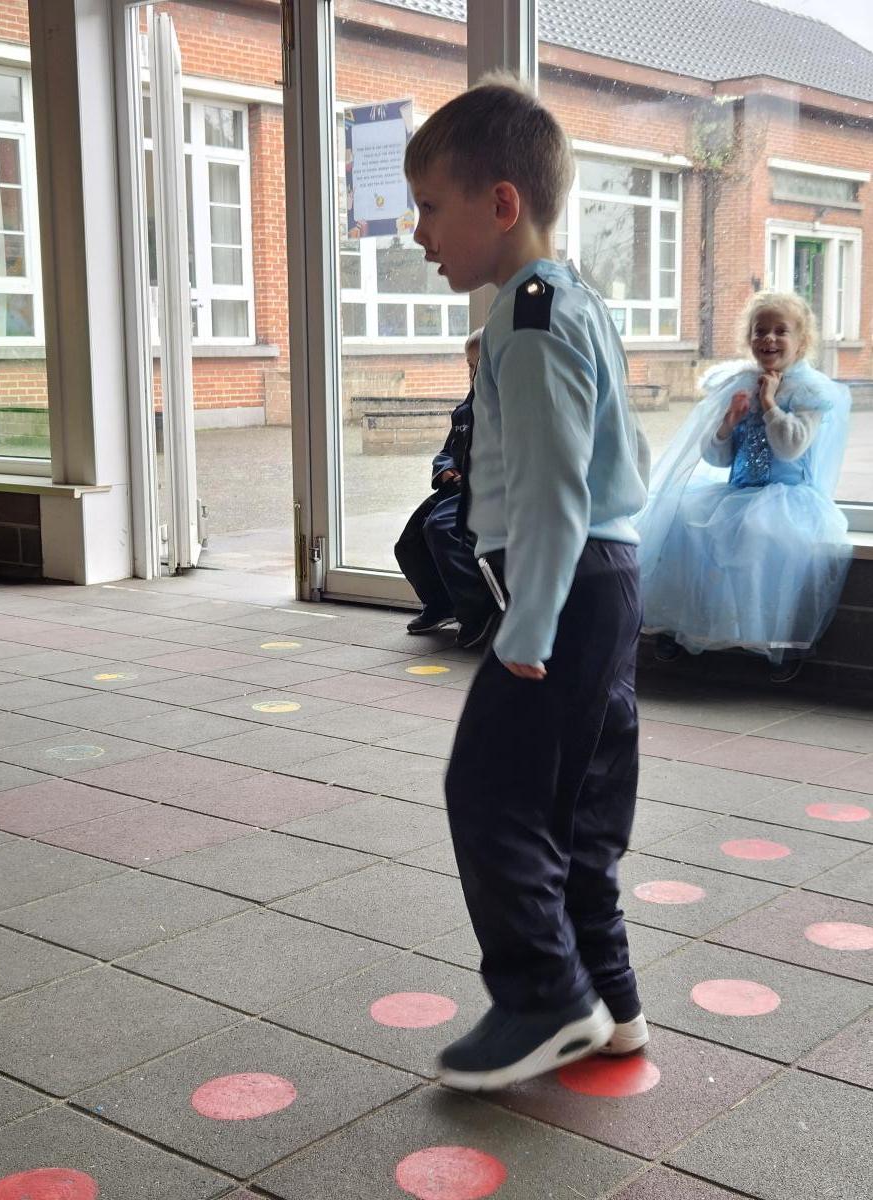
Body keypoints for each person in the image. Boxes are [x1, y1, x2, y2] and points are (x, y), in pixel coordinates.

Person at [404, 73, 651, 1092]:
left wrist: (529, 628)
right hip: (606, 580)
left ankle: (546, 995)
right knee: (576, 806)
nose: (420, 233)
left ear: (501, 202)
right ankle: (611, 1001)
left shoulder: (531, 317)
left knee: (492, 791)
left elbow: (551, 492)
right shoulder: (571, 299)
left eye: (431, 207)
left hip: (565, 586)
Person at [637, 292, 852, 685]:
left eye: (781, 331)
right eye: (760, 331)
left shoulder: (808, 392)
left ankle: (780, 644)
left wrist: (769, 404)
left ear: (801, 341)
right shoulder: (738, 384)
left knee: (758, 533)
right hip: (736, 490)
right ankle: (675, 627)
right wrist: (728, 424)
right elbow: (717, 457)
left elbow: (791, 447)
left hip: (785, 495)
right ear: (749, 338)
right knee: (683, 521)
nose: (769, 338)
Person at [394, 328, 498, 649]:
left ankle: (478, 611)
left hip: (482, 490)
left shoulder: (502, 409)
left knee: (441, 528)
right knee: (409, 541)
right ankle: (440, 603)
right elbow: (447, 451)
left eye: (479, 365)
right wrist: (445, 469)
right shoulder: (465, 410)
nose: (473, 373)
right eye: (469, 365)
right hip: (453, 487)